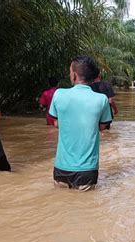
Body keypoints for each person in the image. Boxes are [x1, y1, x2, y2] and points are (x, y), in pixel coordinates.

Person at [49, 56, 112, 191]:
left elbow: (56, 123)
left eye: (70, 71)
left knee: (60, 207)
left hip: (61, 168)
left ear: (74, 75)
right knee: (87, 208)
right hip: (87, 170)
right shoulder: (102, 99)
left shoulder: (58, 94)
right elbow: (102, 127)